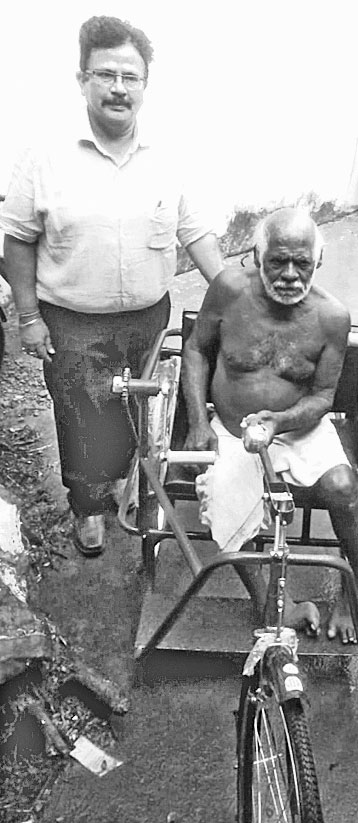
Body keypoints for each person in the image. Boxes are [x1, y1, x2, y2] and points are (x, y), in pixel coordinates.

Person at [0, 16, 224, 556]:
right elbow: (18, 240)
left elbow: (197, 234)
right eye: (106, 74)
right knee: (82, 415)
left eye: (131, 77)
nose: (119, 88)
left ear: (145, 85)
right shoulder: (44, 154)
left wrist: (242, 298)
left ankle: (126, 482)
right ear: (82, 80)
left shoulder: (168, 155)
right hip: (71, 321)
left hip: (149, 317)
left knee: (139, 411)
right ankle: (88, 506)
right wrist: (29, 317)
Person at [182, 207, 358, 644]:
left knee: (344, 487)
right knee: (228, 505)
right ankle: (272, 602)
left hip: (300, 427)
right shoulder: (228, 289)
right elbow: (195, 350)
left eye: (301, 263)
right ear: (256, 257)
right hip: (232, 430)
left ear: (318, 260)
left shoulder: (332, 317)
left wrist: (280, 420)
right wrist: (197, 422)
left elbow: (323, 397)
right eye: (277, 262)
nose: (289, 274)